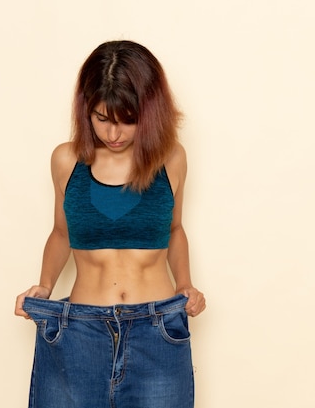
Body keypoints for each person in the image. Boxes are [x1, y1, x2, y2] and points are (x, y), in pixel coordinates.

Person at [15, 40, 206, 408]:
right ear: (86, 109)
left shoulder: (171, 159)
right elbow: (61, 233)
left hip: (158, 331)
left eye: (127, 121)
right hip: (79, 334)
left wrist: (186, 285)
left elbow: (174, 230)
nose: (113, 134)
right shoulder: (66, 160)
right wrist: (45, 284)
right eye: (102, 119)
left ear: (149, 112)